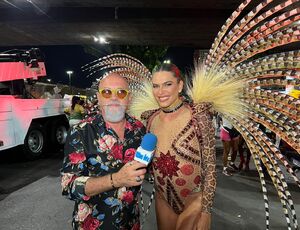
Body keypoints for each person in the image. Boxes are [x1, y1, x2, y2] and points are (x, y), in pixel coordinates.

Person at [61, 73, 147, 230]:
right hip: (93, 226)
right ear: (98, 99)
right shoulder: (81, 132)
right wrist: (116, 180)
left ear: (129, 99)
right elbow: (69, 186)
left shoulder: (139, 130)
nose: (114, 98)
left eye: (121, 92)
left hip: (131, 223)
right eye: (107, 92)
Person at [141, 63, 216, 230]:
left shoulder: (199, 117)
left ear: (180, 86)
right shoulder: (151, 120)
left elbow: (210, 168)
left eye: (167, 84)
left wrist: (206, 211)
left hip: (194, 199)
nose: (160, 92)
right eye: (155, 86)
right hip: (163, 199)